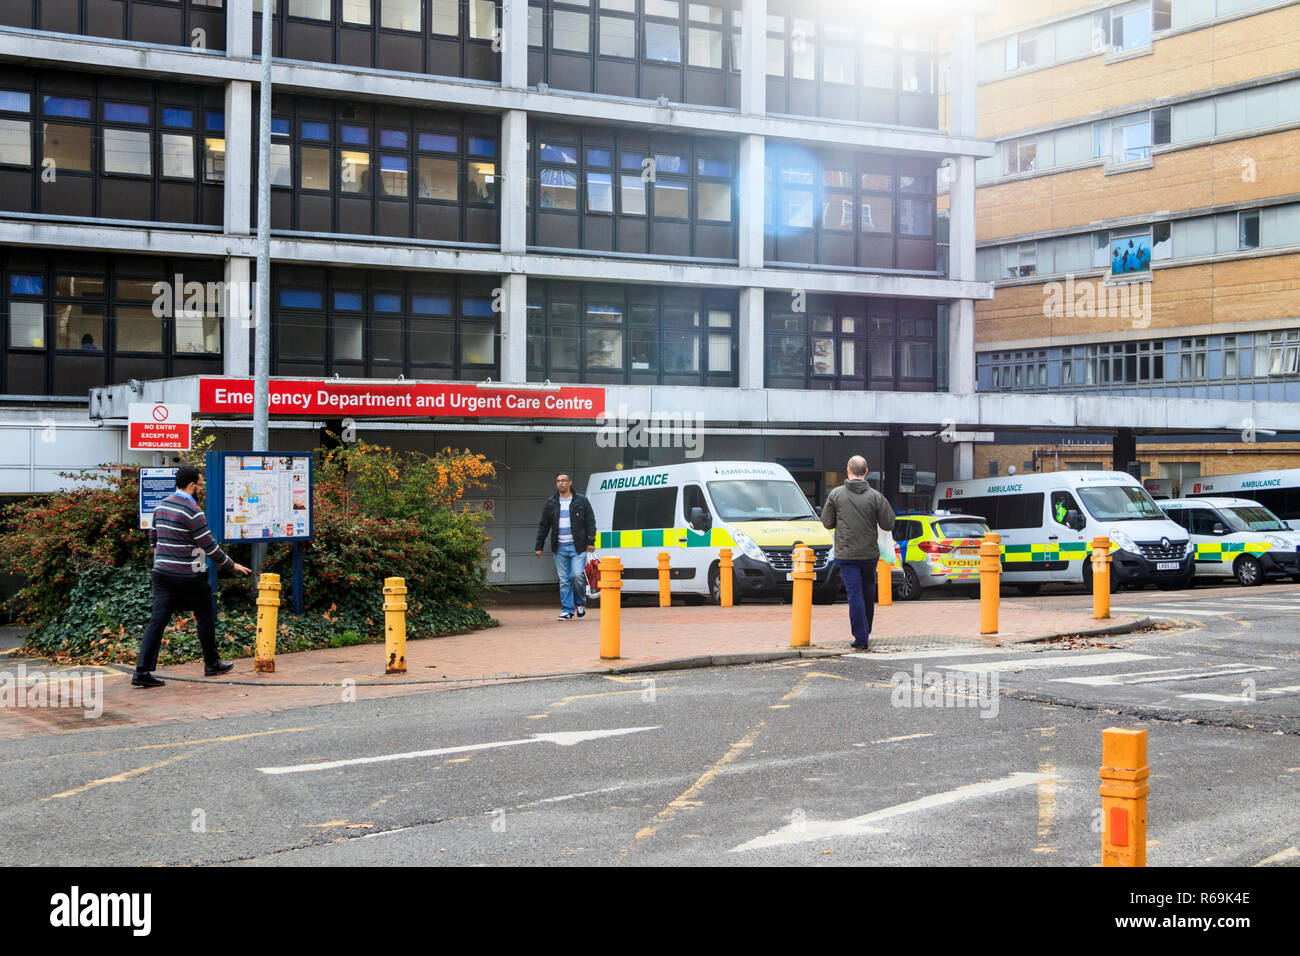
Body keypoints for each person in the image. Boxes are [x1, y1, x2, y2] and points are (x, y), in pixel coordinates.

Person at [133, 466, 251, 688]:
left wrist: (164, 557)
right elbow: (209, 547)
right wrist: (232, 565)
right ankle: (212, 663)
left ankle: (142, 671)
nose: (201, 489)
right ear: (190, 486)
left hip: (161, 573)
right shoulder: (192, 511)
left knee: (157, 621)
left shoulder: (161, 505)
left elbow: (153, 537)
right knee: (205, 612)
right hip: (188, 575)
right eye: (200, 485)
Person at [820, 456, 895, 650]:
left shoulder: (836, 495)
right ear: (866, 472)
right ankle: (865, 630)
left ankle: (861, 637)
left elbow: (827, 522)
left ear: (848, 471)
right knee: (868, 593)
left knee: (854, 594)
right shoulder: (876, 496)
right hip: (869, 555)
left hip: (846, 555)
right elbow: (888, 523)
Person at [535, 473, 596, 621]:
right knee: (564, 580)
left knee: (577, 576)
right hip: (560, 547)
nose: (560, 483)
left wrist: (591, 541)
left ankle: (580, 603)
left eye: (563, 481)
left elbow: (590, 521)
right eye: (558, 481)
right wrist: (539, 545)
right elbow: (544, 525)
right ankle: (567, 610)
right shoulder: (551, 503)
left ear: (570, 483)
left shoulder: (581, 501)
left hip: (578, 547)